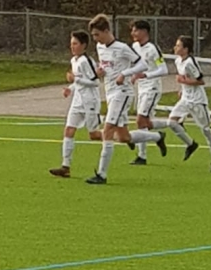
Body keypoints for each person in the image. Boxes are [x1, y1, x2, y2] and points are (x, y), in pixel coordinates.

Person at [84, 14, 166, 185]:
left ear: (106, 31)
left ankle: (101, 174)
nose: (95, 38)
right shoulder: (100, 47)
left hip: (122, 93)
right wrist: (99, 71)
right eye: (93, 35)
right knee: (123, 137)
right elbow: (105, 66)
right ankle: (157, 136)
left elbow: (142, 65)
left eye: (97, 34)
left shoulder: (122, 48)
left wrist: (125, 73)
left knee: (107, 129)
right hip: (110, 92)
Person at [49, 30, 103, 178]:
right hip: (77, 101)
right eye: (71, 43)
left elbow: (95, 82)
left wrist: (75, 80)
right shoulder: (74, 61)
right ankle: (65, 167)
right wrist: (70, 88)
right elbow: (79, 82)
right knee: (69, 130)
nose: (72, 46)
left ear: (83, 45)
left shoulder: (87, 61)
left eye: (75, 43)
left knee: (94, 135)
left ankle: (124, 137)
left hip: (90, 101)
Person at [165, 35, 211, 172]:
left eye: (178, 45)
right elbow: (184, 78)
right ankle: (191, 144)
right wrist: (182, 89)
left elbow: (200, 81)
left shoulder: (190, 62)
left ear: (186, 49)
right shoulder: (178, 61)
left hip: (197, 101)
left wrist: (184, 82)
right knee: (171, 122)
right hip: (185, 99)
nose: (175, 47)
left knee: (206, 130)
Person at [128, 19, 168, 166]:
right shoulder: (134, 47)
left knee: (140, 120)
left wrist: (146, 75)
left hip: (152, 88)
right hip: (141, 88)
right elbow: (135, 65)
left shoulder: (153, 49)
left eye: (135, 30)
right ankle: (142, 156)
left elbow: (164, 69)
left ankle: (157, 136)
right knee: (144, 123)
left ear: (144, 31)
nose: (133, 33)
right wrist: (132, 75)